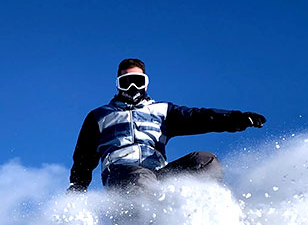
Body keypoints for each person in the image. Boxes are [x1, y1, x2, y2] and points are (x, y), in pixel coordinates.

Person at [68, 58, 266, 192]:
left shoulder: (162, 111)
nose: (133, 88)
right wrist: (78, 185)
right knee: (140, 178)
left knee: (205, 161)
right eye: (126, 81)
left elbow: (200, 117)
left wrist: (238, 118)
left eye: (137, 81)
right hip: (122, 175)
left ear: (146, 84)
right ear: (118, 84)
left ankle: (208, 218)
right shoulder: (100, 116)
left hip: (157, 175)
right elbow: (84, 155)